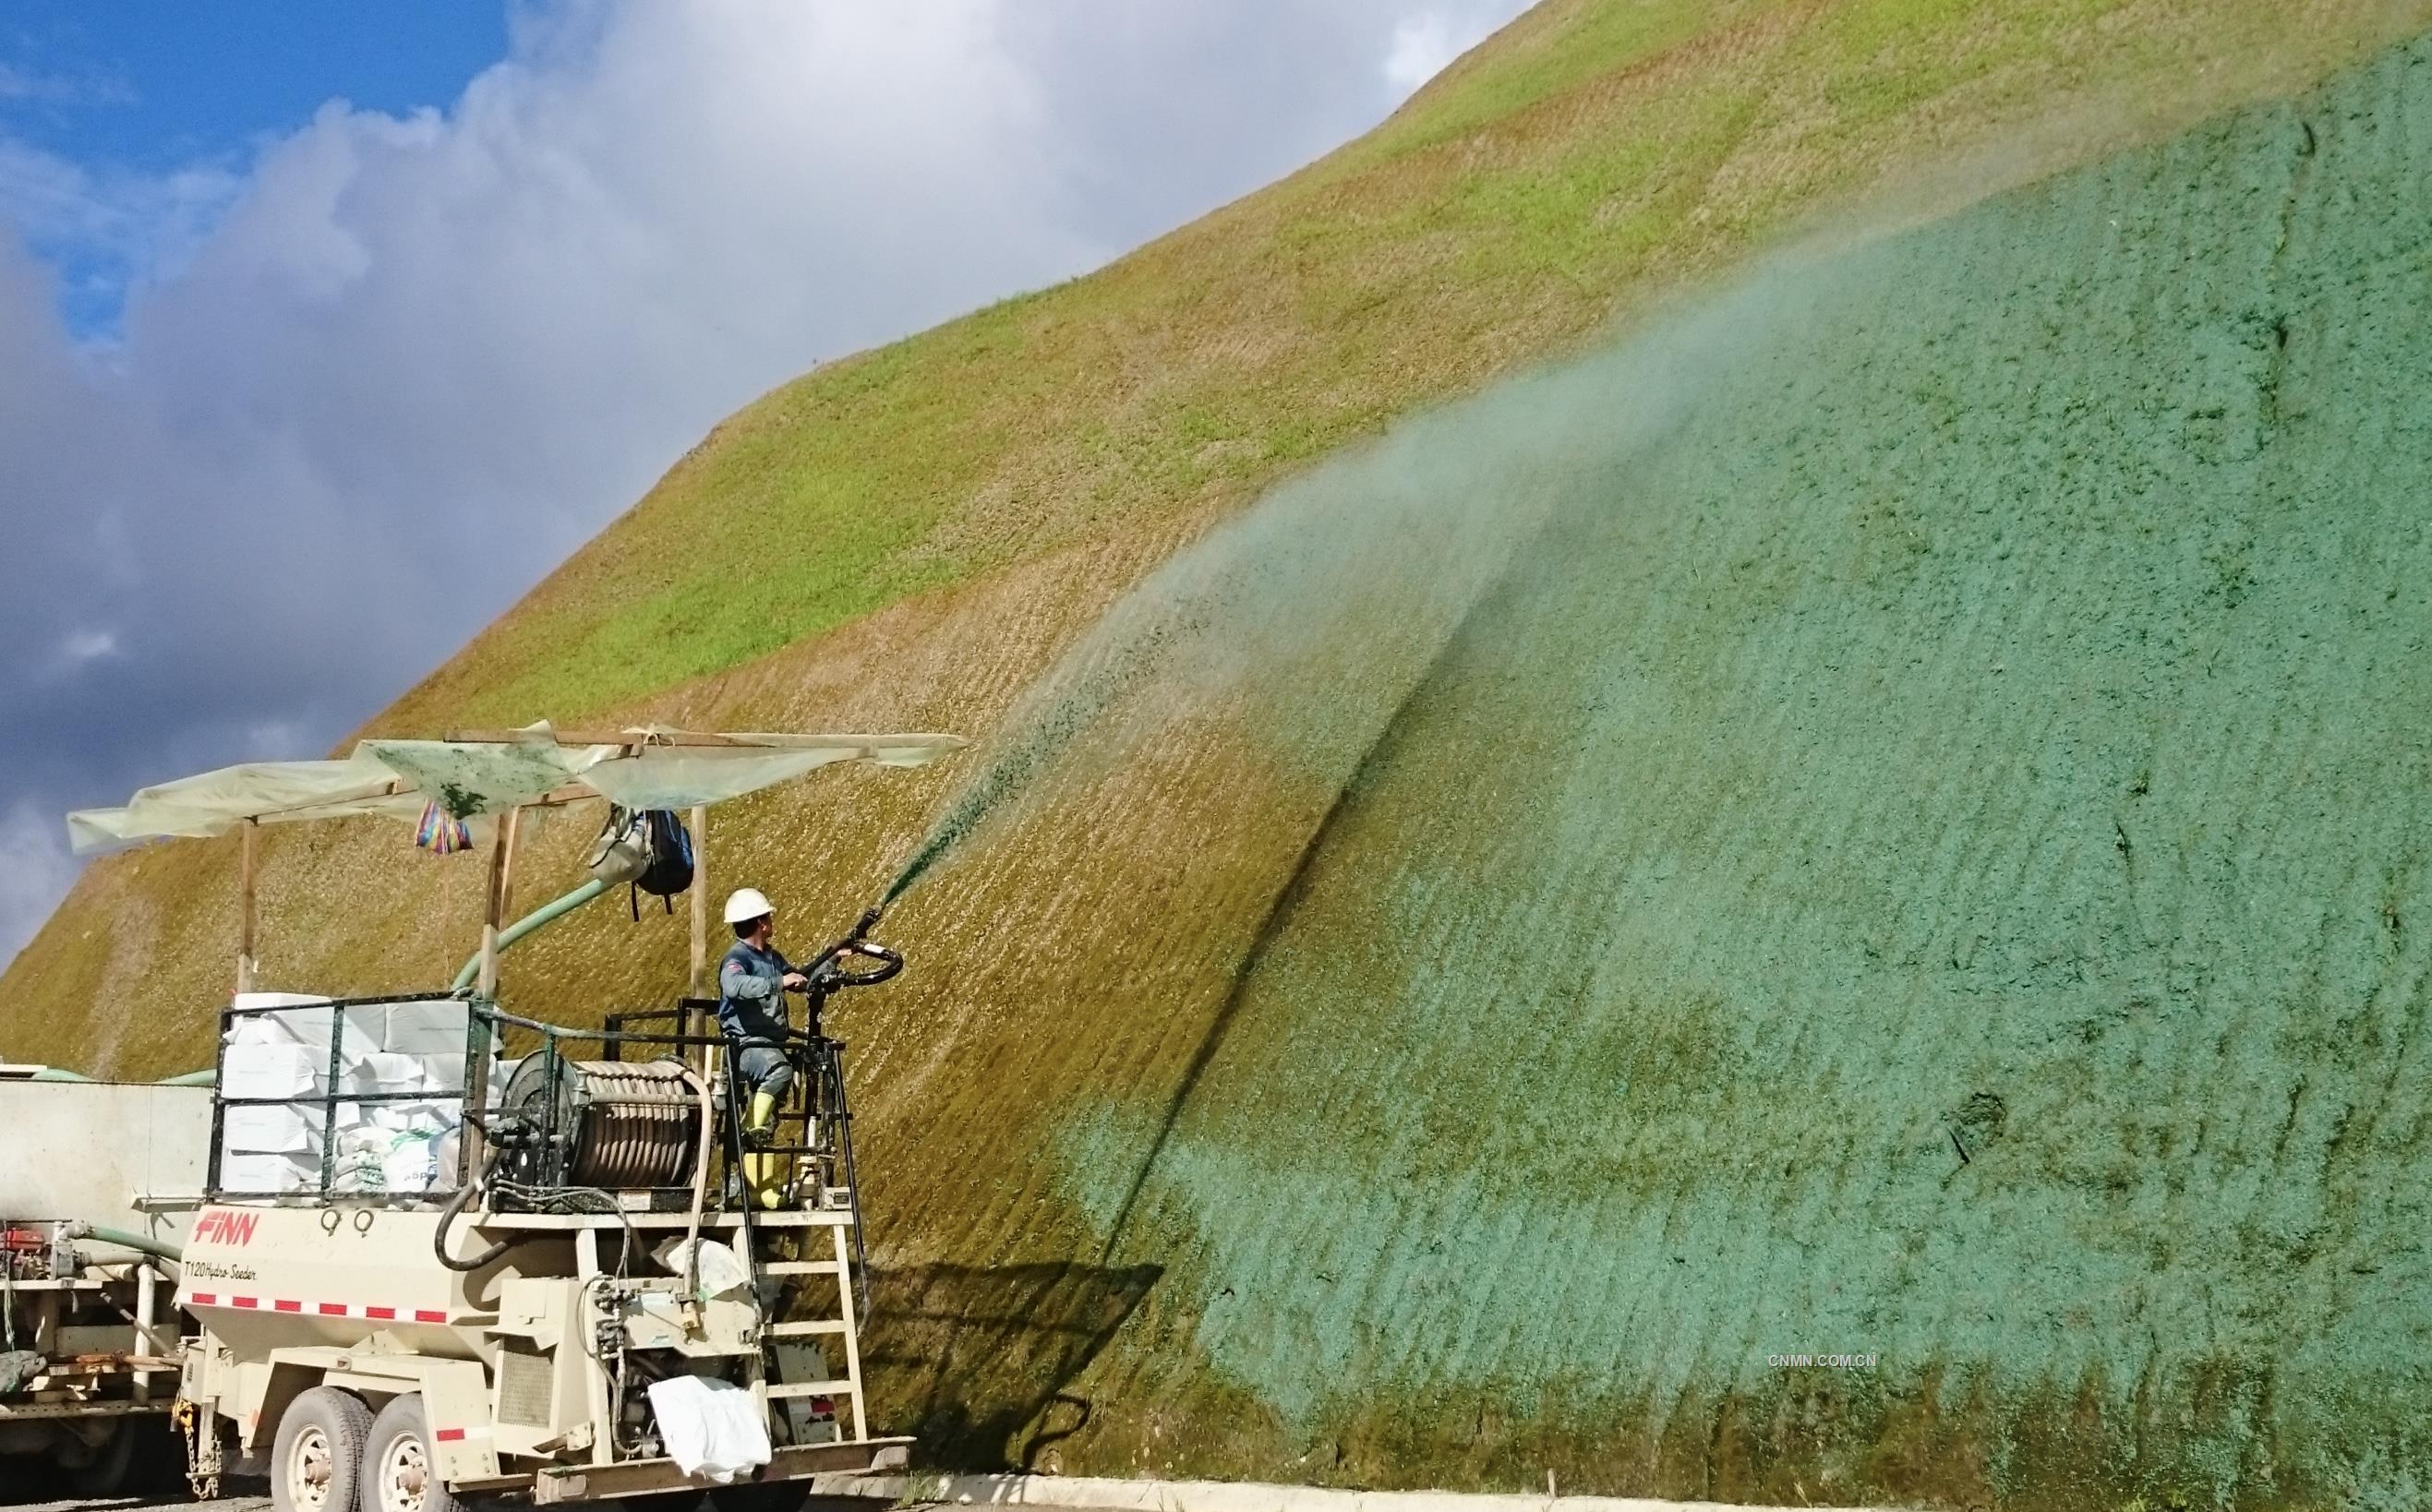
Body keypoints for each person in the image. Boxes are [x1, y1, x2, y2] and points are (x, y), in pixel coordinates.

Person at [717, 887, 809, 1206]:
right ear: (761, 922)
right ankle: (750, 1127)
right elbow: (733, 986)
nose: (771, 920)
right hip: (745, 1046)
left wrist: (833, 958)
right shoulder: (737, 958)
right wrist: (778, 983)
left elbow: (797, 977)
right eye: (768, 916)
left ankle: (762, 1191)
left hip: (768, 1045)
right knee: (779, 1071)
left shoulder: (772, 957)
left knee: (769, 1120)